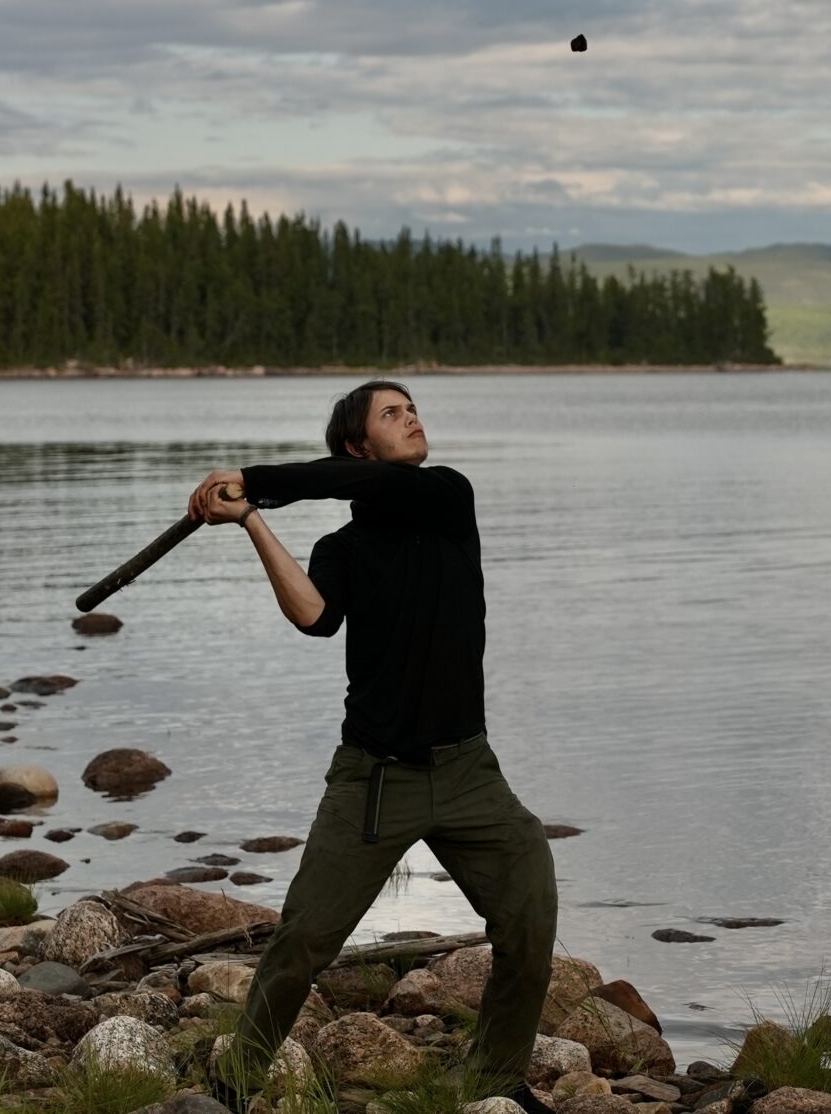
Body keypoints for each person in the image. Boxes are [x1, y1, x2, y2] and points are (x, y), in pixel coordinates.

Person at [188, 379, 557, 1112]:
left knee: (529, 913)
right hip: (373, 779)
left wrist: (252, 479)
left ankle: (494, 1076)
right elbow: (316, 617)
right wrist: (253, 519)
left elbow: (358, 482)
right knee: (304, 941)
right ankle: (234, 1084)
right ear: (359, 442)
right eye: (392, 414)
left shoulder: (448, 498)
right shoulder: (343, 546)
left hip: (468, 770)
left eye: (412, 407)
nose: (413, 419)